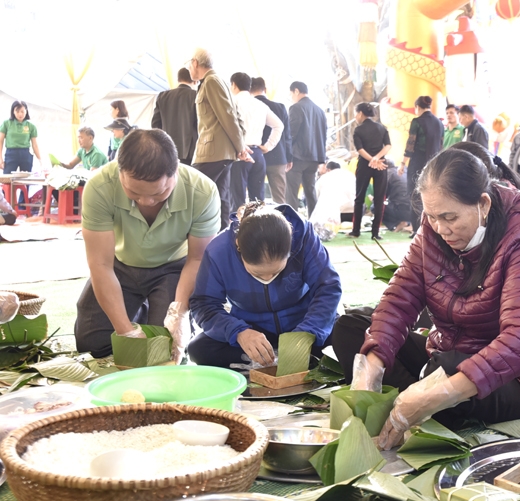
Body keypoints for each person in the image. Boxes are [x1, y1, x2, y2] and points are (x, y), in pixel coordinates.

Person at [331, 148, 520, 449]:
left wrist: (439, 393)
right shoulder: (434, 231)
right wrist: (370, 372)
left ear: (483, 204)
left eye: (449, 217)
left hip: (515, 378)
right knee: (351, 328)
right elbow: (399, 300)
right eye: (431, 217)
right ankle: (415, 401)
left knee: (445, 370)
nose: (440, 228)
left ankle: (426, 400)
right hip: (445, 355)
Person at [75, 129, 219, 362]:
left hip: (173, 267)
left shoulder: (203, 191)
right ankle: (136, 312)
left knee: (166, 345)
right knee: (92, 342)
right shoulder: (100, 186)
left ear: (175, 171)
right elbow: (100, 264)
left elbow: (197, 259)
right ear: (119, 171)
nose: (146, 201)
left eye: (159, 193)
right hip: (120, 265)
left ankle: (151, 309)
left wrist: (178, 313)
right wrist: (125, 330)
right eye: (133, 193)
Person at [188, 201, 341, 368]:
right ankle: (272, 358)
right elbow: (203, 304)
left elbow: (328, 287)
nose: (268, 278)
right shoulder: (219, 250)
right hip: (253, 329)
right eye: (257, 274)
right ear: (239, 246)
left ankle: (273, 360)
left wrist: (306, 334)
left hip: (303, 323)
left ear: (291, 246)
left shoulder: (303, 236)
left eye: (277, 272)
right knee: (198, 349)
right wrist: (239, 332)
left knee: (347, 336)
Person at [187, 47, 251, 231]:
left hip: (212, 152)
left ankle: (199, 239)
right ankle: (224, 237)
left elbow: (228, 115)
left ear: (195, 63)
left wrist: (240, 147)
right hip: (220, 152)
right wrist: (240, 146)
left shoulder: (211, 81)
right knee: (221, 197)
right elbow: (234, 114)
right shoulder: (215, 80)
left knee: (193, 192)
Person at [228, 72, 283, 210]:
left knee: (237, 200)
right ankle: (259, 229)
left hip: (239, 154)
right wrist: (268, 146)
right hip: (258, 154)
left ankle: (237, 230)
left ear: (233, 85)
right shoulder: (260, 105)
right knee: (258, 202)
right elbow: (279, 125)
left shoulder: (231, 103)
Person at [399, 96, 444, 236]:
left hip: (417, 163)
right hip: (434, 165)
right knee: (433, 196)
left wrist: (402, 163)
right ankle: (432, 229)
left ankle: (417, 229)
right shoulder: (439, 123)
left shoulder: (417, 122)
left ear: (417, 107)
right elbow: (441, 145)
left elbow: (410, 144)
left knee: (414, 195)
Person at [350, 103, 391, 240]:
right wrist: (377, 158)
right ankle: (375, 233)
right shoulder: (381, 128)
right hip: (381, 165)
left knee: (359, 198)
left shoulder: (358, 130)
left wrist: (371, 160)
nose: (355, 117)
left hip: (364, 165)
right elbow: (388, 145)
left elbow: (360, 150)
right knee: (380, 199)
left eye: (356, 113)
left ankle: (356, 231)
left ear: (361, 113)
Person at [286, 81, 327, 217]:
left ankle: (292, 225)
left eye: (291, 93)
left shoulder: (296, 108)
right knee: (310, 192)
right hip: (314, 158)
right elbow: (323, 136)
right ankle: (314, 224)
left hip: (298, 158)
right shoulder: (320, 111)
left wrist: (287, 155)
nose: (291, 97)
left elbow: (291, 133)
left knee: (291, 192)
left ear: (296, 91)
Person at [251, 77, 292, 204]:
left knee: (256, 198)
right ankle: (282, 222)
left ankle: (256, 222)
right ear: (265, 89)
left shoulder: (249, 107)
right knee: (279, 198)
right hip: (278, 157)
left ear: (249, 89)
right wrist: (289, 157)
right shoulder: (280, 107)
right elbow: (287, 136)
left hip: (255, 156)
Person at [151, 67, 198, 165]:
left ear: (178, 79)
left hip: (167, 148)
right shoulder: (196, 96)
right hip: (190, 151)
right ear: (194, 80)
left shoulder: (162, 96)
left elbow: (155, 124)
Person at [0, 101, 43, 174]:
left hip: (26, 154)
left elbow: (35, 145)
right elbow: (0, 141)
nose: (20, 114)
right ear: (13, 111)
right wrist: (0, 159)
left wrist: (40, 160)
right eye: (17, 111)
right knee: (7, 179)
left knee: (26, 180)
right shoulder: (6, 123)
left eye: (22, 111)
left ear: (26, 111)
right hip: (11, 154)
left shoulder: (31, 126)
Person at [381, 158, 411, 232]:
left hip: (401, 209)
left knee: (375, 206)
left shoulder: (387, 174)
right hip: (414, 210)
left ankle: (398, 223)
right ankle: (409, 223)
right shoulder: (404, 170)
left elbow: (383, 195)